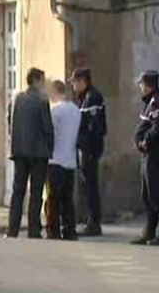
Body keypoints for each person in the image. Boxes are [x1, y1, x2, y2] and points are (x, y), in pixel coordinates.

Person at [6, 68, 54, 239]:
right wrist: (50, 148)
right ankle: (34, 229)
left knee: (17, 192)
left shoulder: (17, 98)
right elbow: (47, 127)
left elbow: (9, 122)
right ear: (36, 80)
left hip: (19, 151)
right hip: (38, 153)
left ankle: (12, 229)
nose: (44, 84)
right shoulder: (41, 101)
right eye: (42, 80)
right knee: (35, 193)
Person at [131, 71, 159, 247]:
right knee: (147, 195)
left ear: (148, 85)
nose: (140, 87)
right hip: (147, 155)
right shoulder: (150, 102)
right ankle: (149, 232)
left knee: (158, 195)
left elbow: (158, 128)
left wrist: (145, 141)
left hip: (156, 155)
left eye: (141, 84)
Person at [71, 68, 107, 237]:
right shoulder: (84, 98)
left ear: (83, 81)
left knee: (91, 186)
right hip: (84, 148)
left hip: (89, 149)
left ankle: (94, 222)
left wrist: (89, 148)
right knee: (87, 185)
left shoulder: (92, 97)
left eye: (75, 82)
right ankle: (90, 220)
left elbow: (94, 127)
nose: (73, 85)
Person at [45, 80, 81, 241]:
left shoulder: (55, 111)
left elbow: (50, 133)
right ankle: (70, 230)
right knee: (67, 198)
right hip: (70, 160)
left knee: (53, 199)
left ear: (53, 93)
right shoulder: (76, 110)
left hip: (55, 159)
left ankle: (53, 231)